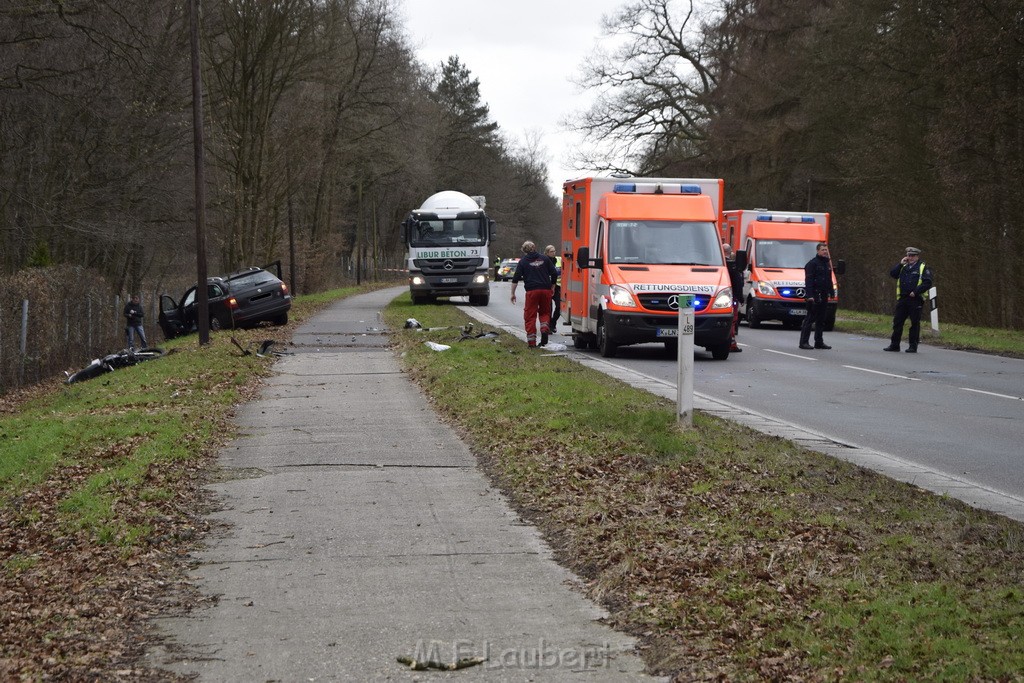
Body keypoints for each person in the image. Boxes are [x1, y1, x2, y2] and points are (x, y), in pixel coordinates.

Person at [884, 246, 933, 353]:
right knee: (897, 322)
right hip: (903, 298)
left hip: (915, 299)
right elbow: (893, 274)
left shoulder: (923, 267)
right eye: (908, 255)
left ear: (917, 256)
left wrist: (915, 292)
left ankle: (913, 346)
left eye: (912, 256)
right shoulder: (903, 266)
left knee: (914, 323)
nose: (910, 258)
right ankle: (894, 345)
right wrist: (900, 264)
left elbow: (927, 282)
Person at [510, 240, 558, 347]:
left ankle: (532, 342)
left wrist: (513, 293)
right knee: (545, 312)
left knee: (530, 316)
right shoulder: (545, 259)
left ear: (524, 250)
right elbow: (554, 273)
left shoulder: (523, 262)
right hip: (546, 290)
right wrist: (553, 286)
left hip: (532, 291)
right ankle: (545, 328)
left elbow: (515, 279)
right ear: (534, 247)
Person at [798, 242, 834, 350]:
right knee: (810, 319)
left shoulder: (826, 263)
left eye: (826, 250)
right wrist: (810, 296)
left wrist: (831, 292)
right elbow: (808, 281)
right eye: (823, 250)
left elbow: (829, 279)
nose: (825, 252)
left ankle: (819, 342)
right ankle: (803, 342)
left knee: (821, 320)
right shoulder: (812, 264)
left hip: (824, 295)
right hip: (814, 294)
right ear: (817, 251)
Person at [722, 243, 743, 353]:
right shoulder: (732, 265)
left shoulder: (717, 263)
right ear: (729, 252)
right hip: (731, 297)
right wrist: (740, 298)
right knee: (732, 321)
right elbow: (738, 283)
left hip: (720, 297)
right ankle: (731, 344)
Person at [544, 245, 562, 331]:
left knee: (559, 306)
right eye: (551, 251)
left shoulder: (559, 259)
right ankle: (548, 326)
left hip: (557, 286)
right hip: (547, 286)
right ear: (547, 253)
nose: (554, 253)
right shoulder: (544, 261)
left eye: (554, 251)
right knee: (549, 308)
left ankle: (553, 323)